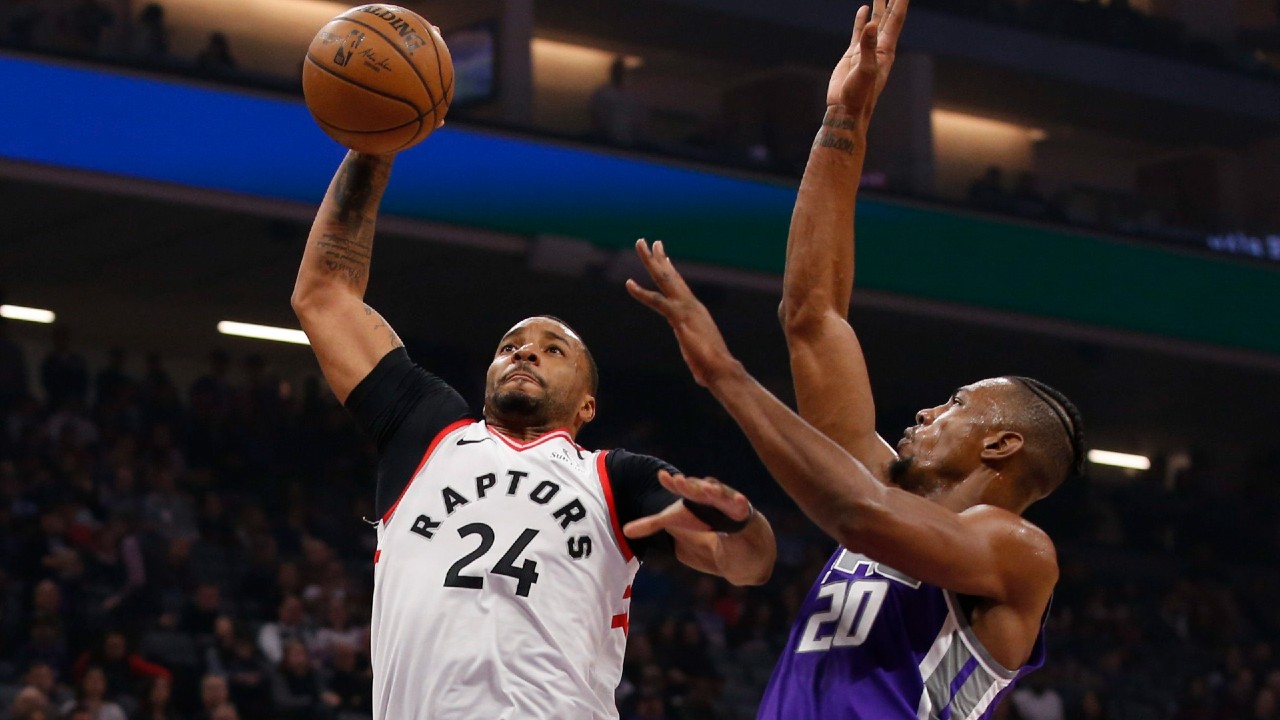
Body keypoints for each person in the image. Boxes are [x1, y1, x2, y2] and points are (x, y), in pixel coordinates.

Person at [626, 3, 1085, 717]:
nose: (930, 410)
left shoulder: (1017, 550)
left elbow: (857, 516)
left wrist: (727, 376)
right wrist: (845, 120)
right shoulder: (885, 486)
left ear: (1002, 442)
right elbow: (814, 318)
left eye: (957, 405)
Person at [290, 144, 776, 719]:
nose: (526, 352)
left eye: (553, 350)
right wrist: (374, 148)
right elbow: (323, 298)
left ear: (588, 406)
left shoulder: (617, 479)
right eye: (510, 346)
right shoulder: (428, 429)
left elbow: (746, 566)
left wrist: (742, 523)